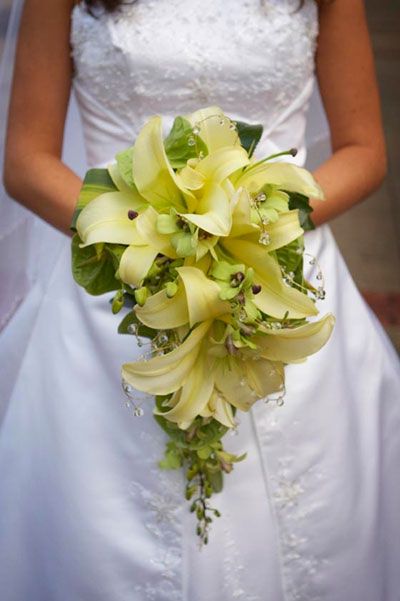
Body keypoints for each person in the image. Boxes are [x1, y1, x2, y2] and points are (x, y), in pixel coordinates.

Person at [0, 1, 399, 599]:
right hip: (121, 286)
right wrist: (146, 235)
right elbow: (27, 162)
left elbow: (365, 150)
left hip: (280, 271)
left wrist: (250, 225)